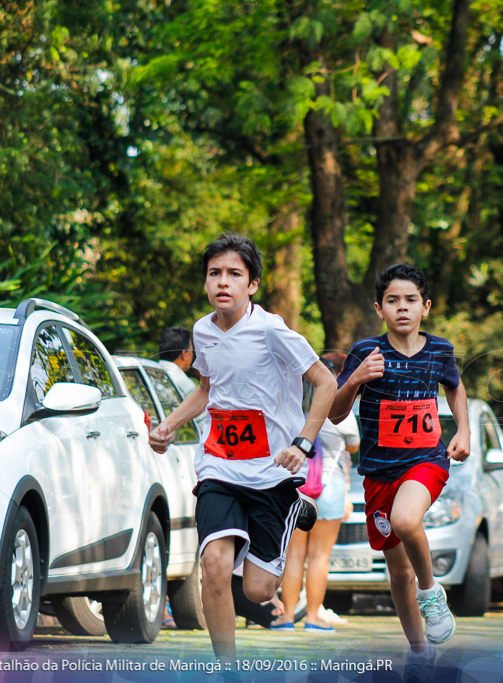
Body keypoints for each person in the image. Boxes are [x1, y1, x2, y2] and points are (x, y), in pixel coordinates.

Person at [149, 232, 336, 666]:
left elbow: (325, 383)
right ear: (205, 282)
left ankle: (295, 510)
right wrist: (170, 425)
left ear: (252, 285)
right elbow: (207, 389)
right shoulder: (201, 330)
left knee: (258, 591)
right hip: (220, 465)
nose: (223, 282)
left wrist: (302, 443)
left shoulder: (271, 330)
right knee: (214, 562)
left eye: (234, 274)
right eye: (215, 273)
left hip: (272, 472)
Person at [329, 263, 470, 675]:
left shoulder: (440, 350)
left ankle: (432, 593)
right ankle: (419, 650)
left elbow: (455, 387)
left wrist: (463, 431)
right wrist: (355, 379)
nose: (402, 308)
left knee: (406, 519)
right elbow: (336, 414)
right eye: (393, 301)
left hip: (426, 460)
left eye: (410, 300)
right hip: (379, 471)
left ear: (425, 307)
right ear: (379, 308)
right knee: (397, 570)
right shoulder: (364, 352)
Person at [275, 352, 360, 632]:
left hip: (297, 488)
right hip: (331, 487)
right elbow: (354, 446)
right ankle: (312, 618)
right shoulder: (340, 413)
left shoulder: (293, 409)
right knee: (320, 557)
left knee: (294, 555)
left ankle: (287, 617)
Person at [158, 325, 198, 398]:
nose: (192, 356)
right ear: (184, 354)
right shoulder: (186, 385)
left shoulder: (149, 373)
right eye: (191, 352)